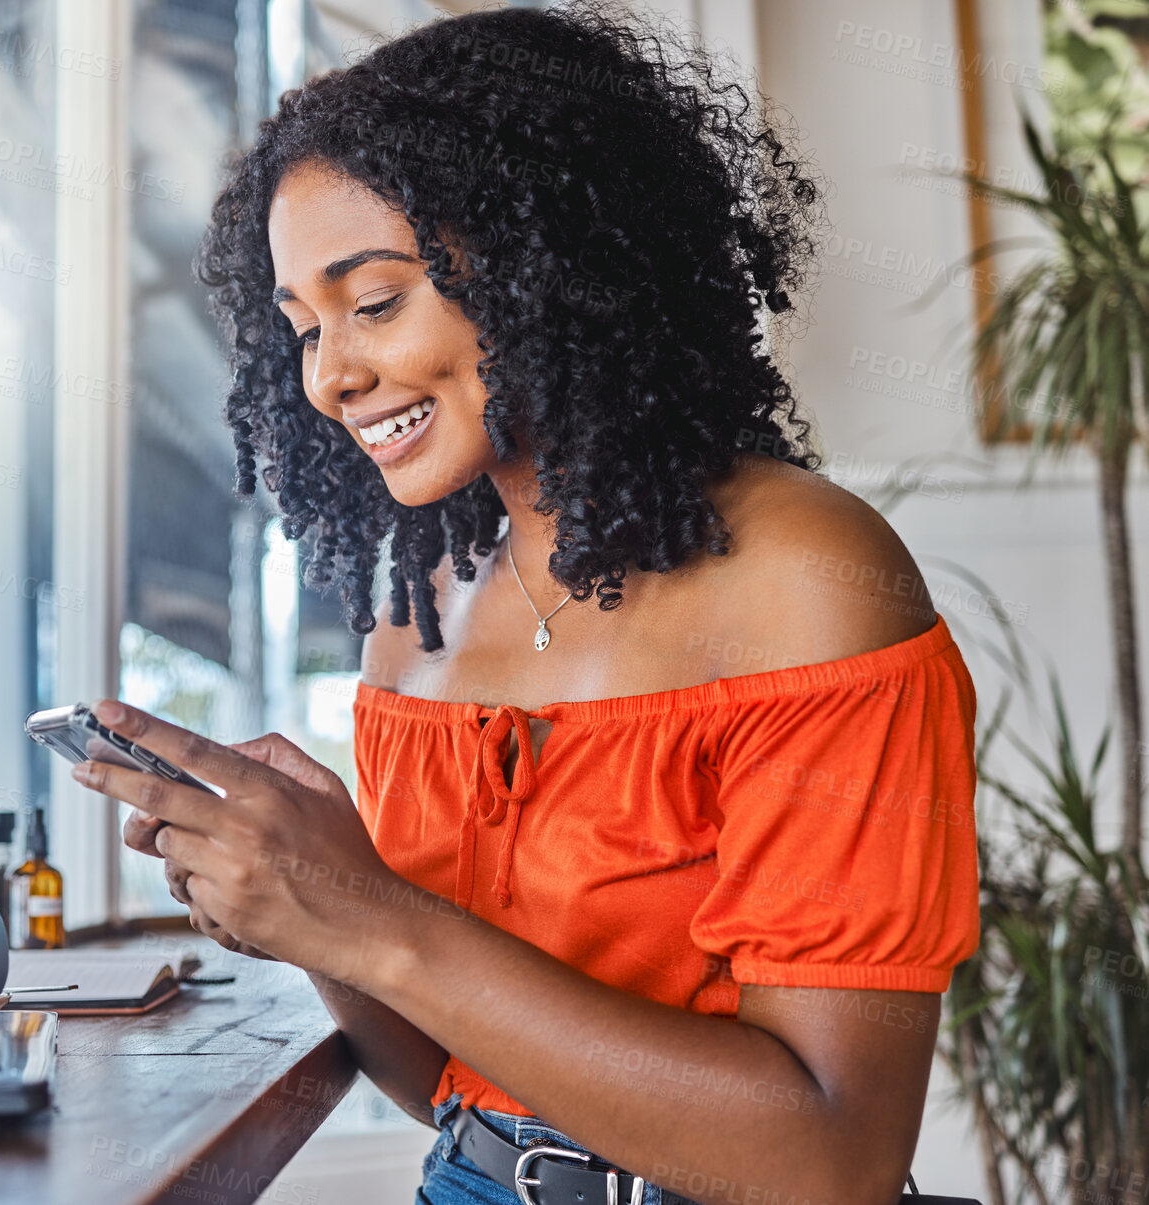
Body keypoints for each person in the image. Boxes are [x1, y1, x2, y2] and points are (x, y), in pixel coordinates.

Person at [71, 6, 979, 1205]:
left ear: (552, 259)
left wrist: (369, 913)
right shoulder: (420, 622)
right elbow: (446, 1072)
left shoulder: (804, 581)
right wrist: (310, 912)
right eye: (303, 327)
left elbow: (830, 1156)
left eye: (377, 300)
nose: (331, 375)